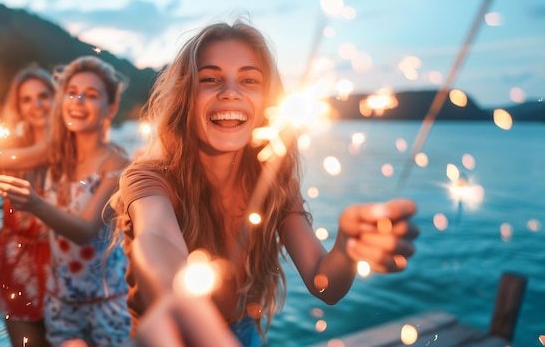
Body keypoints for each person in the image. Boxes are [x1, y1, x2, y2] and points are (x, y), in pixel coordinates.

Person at [109, 19, 419, 347]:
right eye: (210, 79)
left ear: (267, 104)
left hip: (244, 331)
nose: (230, 92)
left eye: (249, 80)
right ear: (186, 97)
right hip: (165, 334)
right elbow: (156, 237)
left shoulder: (275, 183)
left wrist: (346, 248)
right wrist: (181, 300)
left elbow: (325, 286)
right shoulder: (149, 176)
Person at [0, 56, 132, 347]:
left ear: (111, 108)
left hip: (101, 301)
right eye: (72, 93)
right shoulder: (54, 152)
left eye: (91, 95)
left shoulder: (114, 160)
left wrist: (34, 203)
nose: (79, 100)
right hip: (61, 299)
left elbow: (85, 230)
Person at [0, 65, 54, 347]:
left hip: (60, 264)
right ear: (19, 107)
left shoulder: (70, 146)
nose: (36, 105)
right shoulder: (9, 148)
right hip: (16, 263)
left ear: (56, 98)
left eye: (43, 95)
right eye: (26, 99)